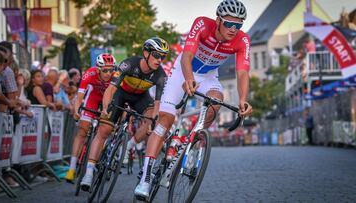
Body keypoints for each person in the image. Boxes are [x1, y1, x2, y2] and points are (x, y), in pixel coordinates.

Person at [134, 0, 253, 198]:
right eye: (229, 23)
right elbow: (186, 56)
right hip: (183, 72)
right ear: (218, 20)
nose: (234, 29)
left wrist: (243, 100)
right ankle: (145, 179)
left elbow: (242, 73)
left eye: (238, 25)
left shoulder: (242, 40)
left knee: (216, 101)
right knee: (165, 120)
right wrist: (188, 79)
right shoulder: (202, 24)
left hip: (208, 76)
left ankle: (191, 140)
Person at [80, 37, 170, 189]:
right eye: (156, 55)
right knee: (105, 130)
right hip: (120, 94)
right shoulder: (129, 64)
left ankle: (128, 146)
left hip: (141, 97)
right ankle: (88, 172)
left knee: (151, 122)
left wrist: (153, 122)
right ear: (146, 53)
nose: (159, 59)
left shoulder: (160, 75)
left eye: (163, 56)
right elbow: (111, 89)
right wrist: (105, 108)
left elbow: (157, 104)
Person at [64, 53, 117, 183]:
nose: (108, 73)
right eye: (105, 70)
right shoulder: (90, 73)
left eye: (111, 70)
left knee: (106, 129)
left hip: (108, 100)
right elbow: (80, 94)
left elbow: (118, 99)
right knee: (82, 132)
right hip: (93, 99)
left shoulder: (116, 77)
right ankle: (71, 168)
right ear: (98, 69)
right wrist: (76, 110)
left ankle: (101, 155)